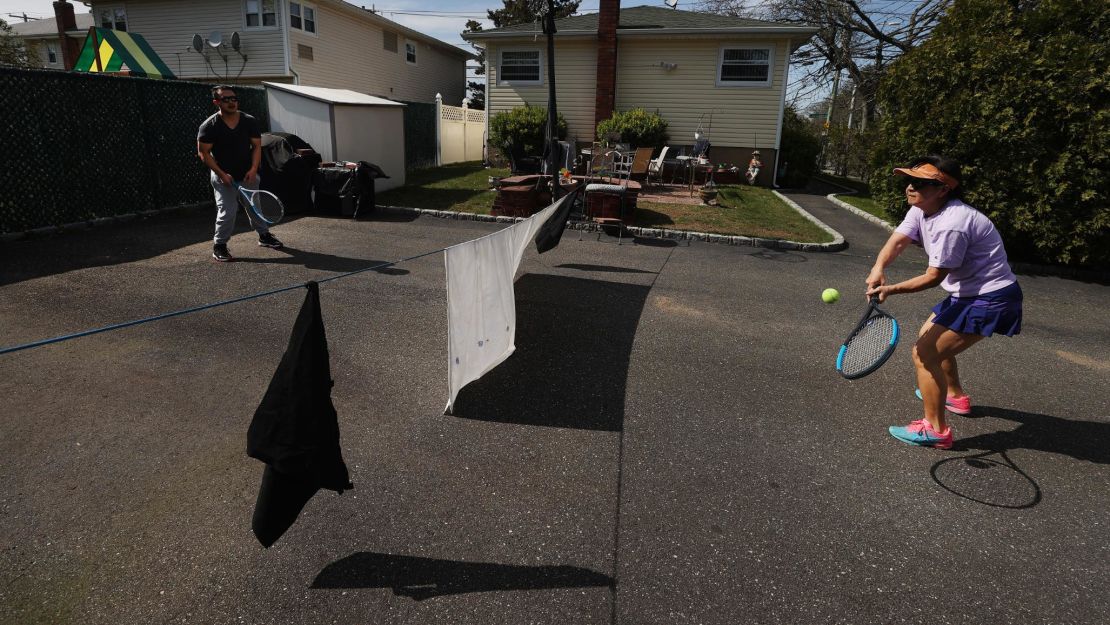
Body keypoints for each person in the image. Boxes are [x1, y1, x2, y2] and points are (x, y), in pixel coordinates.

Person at [865, 155, 1023, 449]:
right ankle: (954, 397)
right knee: (930, 340)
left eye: (922, 183)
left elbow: (933, 276)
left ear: (943, 190)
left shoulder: (953, 224)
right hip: (967, 295)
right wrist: (878, 268)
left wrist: (892, 289)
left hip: (990, 298)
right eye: (910, 180)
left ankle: (936, 430)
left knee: (925, 355)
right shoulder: (922, 208)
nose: (911, 187)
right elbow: (898, 240)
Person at [197, 85, 283, 262]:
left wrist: (253, 170)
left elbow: (257, 146)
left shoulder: (249, 121)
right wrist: (221, 174)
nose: (231, 102)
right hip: (223, 178)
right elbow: (203, 153)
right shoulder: (209, 126)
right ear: (216, 102)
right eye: (225, 99)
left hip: (247, 176)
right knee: (227, 212)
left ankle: (264, 236)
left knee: (254, 208)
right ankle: (219, 246)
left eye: (233, 98)